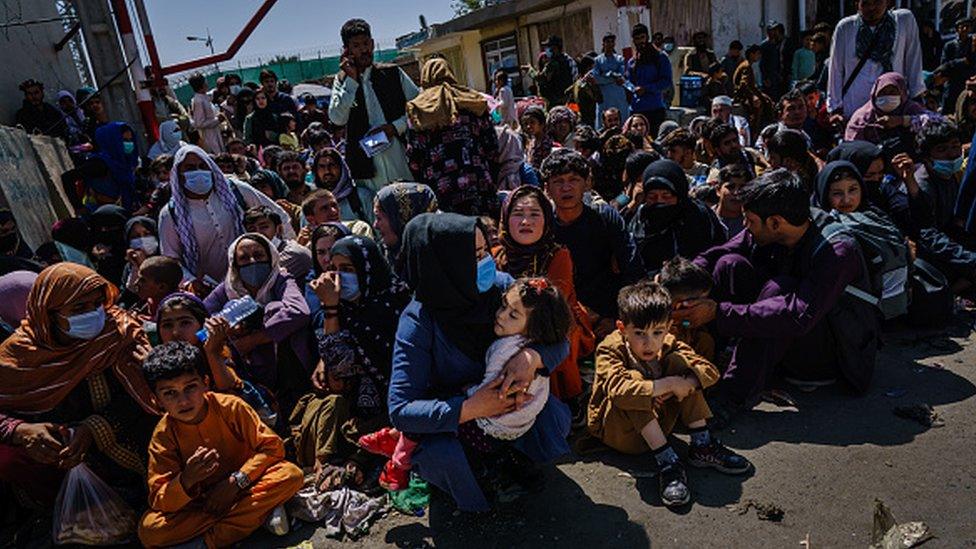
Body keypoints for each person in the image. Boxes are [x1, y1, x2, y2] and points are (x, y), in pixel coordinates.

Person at [387, 213, 571, 512]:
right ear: (444, 263)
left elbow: (558, 335)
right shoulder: (418, 320)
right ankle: (475, 481)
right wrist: (471, 408)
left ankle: (512, 459)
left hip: (508, 410)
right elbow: (401, 409)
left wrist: (532, 357)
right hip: (456, 422)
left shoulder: (501, 289)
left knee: (549, 411)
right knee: (440, 455)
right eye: (474, 255)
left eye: (486, 250)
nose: (487, 262)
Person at [677, 170, 878, 417]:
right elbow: (719, 253)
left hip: (829, 353)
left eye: (749, 221)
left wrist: (717, 313)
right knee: (729, 264)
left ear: (775, 223)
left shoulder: (837, 251)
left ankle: (733, 394)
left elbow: (796, 314)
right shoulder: (774, 225)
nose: (745, 226)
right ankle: (710, 362)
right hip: (789, 334)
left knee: (778, 291)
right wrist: (679, 283)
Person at [0, 264, 158, 509]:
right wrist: (21, 431)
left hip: (124, 439)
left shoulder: (120, 332)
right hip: (56, 455)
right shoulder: (15, 356)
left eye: (97, 304)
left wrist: (93, 428)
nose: (94, 313)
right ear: (48, 313)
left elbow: (147, 394)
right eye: (79, 308)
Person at [587, 281, 749, 508]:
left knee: (683, 367)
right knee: (633, 383)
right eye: (639, 333)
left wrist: (684, 382)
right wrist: (668, 384)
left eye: (657, 332)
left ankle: (702, 445)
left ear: (668, 327)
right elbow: (619, 391)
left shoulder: (669, 342)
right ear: (622, 328)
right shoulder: (610, 347)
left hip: (659, 423)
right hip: (622, 433)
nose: (648, 342)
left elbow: (709, 371)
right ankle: (668, 463)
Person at [137, 342, 302, 548]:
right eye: (170, 393)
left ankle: (210, 541)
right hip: (203, 505)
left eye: (190, 387)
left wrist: (234, 483)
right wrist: (187, 480)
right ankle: (255, 517)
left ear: (205, 383)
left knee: (290, 475)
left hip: (246, 484)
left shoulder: (230, 407)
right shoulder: (163, 435)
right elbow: (159, 498)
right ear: (156, 400)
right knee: (150, 530)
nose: (183, 401)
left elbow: (273, 448)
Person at [295, 235, 410, 488]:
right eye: (333, 269)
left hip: (401, 392)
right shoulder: (339, 308)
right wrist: (331, 309)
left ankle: (362, 457)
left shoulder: (395, 300)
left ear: (366, 268)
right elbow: (339, 368)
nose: (337, 277)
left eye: (347, 269)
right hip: (360, 395)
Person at [494, 185, 595, 406]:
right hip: (507, 320)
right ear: (505, 218)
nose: (525, 222)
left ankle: (566, 397)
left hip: (553, 320)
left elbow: (552, 308)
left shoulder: (558, 255)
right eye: (517, 214)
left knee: (561, 339)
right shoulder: (496, 255)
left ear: (547, 220)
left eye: (534, 215)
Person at [159, 145, 294, 292]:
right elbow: (171, 259)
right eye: (190, 168)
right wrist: (190, 282)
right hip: (210, 289)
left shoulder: (236, 190)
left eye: (203, 166)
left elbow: (278, 215)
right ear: (178, 174)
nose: (198, 171)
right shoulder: (171, 214)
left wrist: (285, 254)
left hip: (258, 280)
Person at [204, 233, 312, 417]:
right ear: (235, 264)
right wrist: (227, 327)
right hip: (245, 364)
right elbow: (203, 315)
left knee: (274, 308)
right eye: (244, 258)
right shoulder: (228, 287)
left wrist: (255, 339)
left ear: (270, 257)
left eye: (259, 255)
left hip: (283, 362)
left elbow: (299, 311)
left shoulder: (281, 278)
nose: (253, 262)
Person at [544, 149, 643, 336]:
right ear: (547, 188)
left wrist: (616, 318)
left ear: (587, 183)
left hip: (606, 313)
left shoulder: (604, 217)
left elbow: (632, 269)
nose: (566, 188)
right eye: (558, 181)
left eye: (573, 180)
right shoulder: (542, 224)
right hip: (560, 314)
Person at [330, 19, 419, 194]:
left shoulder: (392, 73)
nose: (364, 49)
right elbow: (336, 118)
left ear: (372, 43)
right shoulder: (342, 81)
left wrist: (394, 128)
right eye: (356, 45)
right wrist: (351, 81)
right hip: (366, 169)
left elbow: (418, 109)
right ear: (347, 51)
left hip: (400, 159)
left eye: (366, 43)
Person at [405, 58, 499, 217]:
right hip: (480, 185)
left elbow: (414, 160)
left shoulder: (418, 109)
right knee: (485, 234)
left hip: (442, 192)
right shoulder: (472, 100)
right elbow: (492, 147)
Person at [827, 0, 924, 120]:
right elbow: (836, 70)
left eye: (877, 2)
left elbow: (913, 61)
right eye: (866, 3)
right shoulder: (846, 27)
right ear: (857, 3)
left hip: (893, 106)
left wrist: (916, 97)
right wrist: (835, 108)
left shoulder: (904, 21)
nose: (872, 8)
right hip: (855, 106)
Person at [629, 159, 727, 274]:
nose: (659, 201)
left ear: (679, 194)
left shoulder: (699, 217)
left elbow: (713, 254)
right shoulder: (641, 219)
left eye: (666, 196)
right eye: (652, 197)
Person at [845, 72, 941, 144]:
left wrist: (902, 120)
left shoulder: (911, 109)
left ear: (902, 93)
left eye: (892, 92)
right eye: (883, 93)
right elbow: (852, 145)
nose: (887, 96)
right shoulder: (863, 117)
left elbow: (939, 122)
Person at [657, 257, 718, 361]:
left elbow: (685, 323)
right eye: (700, 301)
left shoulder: (687, 325)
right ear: (681, 304)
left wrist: (686, 325)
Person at [372, 182, 439, 273]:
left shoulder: (439, 258)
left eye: (379, 218)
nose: (375, 225)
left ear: (400, 219)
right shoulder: (385, 258)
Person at [244, 206, 313, 282]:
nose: (258, 233)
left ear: (279, 229)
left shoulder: (293, 254)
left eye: (264, 227)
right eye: (252, 230)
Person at [627, 23, 672, 136]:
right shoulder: (632, 62)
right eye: (637, 39)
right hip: (636, 110)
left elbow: (666, 82)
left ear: (647, 37)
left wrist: (646, 89)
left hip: (655, 108)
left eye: (642, 37)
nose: (640, 41)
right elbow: (630, 84)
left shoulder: (660, 57)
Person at [312, 148, 375, 224]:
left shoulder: (363, 197)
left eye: (332, 165)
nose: (327, 171)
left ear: (342, 168)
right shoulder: (312, 205)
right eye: (322, 167)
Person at [93, 122, 140, 211]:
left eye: (130, 140)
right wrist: (79, 207)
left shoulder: (129, 164)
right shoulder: (99, 163)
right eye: (125, 140)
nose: (129, 144)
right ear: (113, 141)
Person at [593, 32, 631, 130]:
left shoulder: (620, 59)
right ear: (603, 43)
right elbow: (596, 78)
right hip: (604, 98)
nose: (610, 44)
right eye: (607, 42)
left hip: (619, 97)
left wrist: (604, 75)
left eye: (612, 42)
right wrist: (610, 75)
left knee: (622, 125)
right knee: (603, 126)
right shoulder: (598, 60)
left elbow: (620, 76)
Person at [189, 74, 224, 154]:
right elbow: (199, 123)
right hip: (209, 136)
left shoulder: (204, 97)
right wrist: (217, 120)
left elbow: (212, 93)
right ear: (203, 84)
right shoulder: (198, 101)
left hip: (216, 132)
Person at [535, 35, 574, 108]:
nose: (546, 50)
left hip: (555, 102)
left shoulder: (553, 64)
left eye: (548, 47)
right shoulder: (567, 59)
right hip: (568, 99)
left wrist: (530, 71)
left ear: (555, 48)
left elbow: (542, 79)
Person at [565, 55, 602, 129]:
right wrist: (595, 85)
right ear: (588, 68)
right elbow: (599, 99)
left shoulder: (577, 83)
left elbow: (567, 94)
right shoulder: (586, 84)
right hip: (590, 118)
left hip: (581, 118)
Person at [714, 164, 750, 236]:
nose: (736, 193)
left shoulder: (751, 224)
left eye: (742, 188)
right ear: (718, 190)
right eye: (730, 187)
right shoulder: (706, 219)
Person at [760, 21, 788, 100]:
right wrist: (765, 78)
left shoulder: (777, 44)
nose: (775, 32)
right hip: (769, 76)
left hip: (776, 75)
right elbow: (762, 63)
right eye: (773, 30)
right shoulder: (765, 45)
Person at [521, 106, 554, 171]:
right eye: (526, 123)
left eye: (532, 122)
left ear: (542, 124)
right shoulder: (531, 142)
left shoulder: (547, 144)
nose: (528, 126)